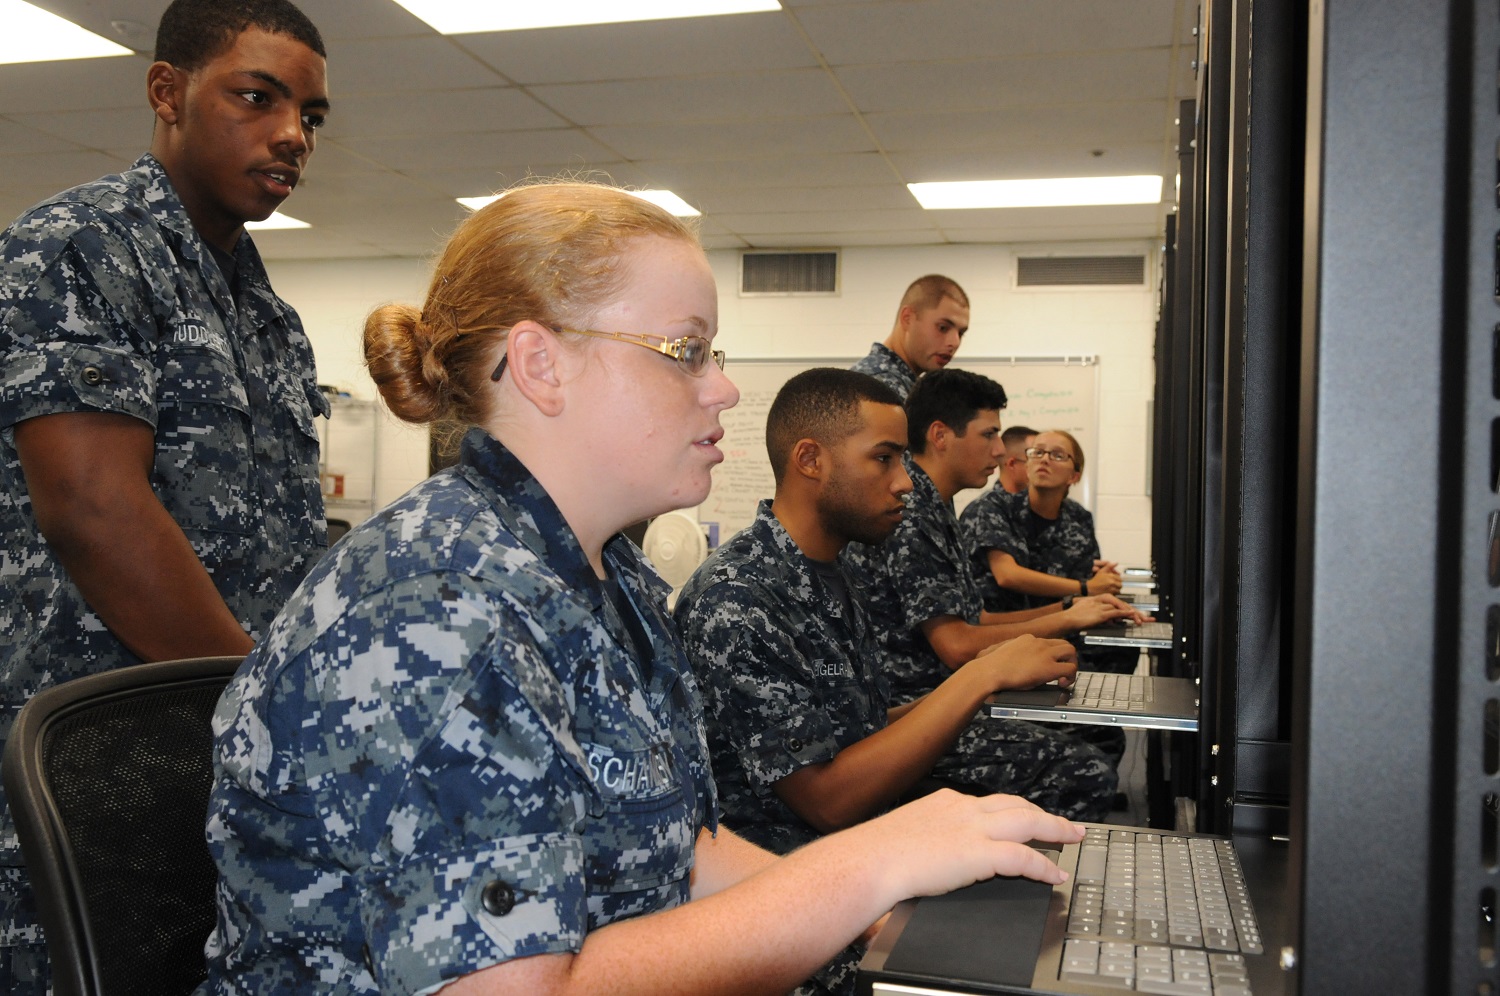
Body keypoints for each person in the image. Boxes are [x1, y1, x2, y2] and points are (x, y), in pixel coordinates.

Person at [197, 183, 1087, 996]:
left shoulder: (597, 570)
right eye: (685, 351)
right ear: (541, 366)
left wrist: (893, 905)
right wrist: (868, 869)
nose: (725, 388)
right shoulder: (442, 607)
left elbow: (679, 853)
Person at [0, 0, 329, 988]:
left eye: (312, 116)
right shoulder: (80, 249)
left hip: (218, 770)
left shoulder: (267, 313)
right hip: (93, 770)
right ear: (166, 92)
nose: (291, 135)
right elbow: (95, 514)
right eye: (257, 97)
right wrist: (269, 706)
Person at [676, 368, 1107, 867]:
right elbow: (828, 802)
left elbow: (863, 727)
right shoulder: (741, 599)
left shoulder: (830, 571)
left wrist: (984, 684)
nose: (904, 482)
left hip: (867, 842)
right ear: (810, 461)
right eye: (884, 458)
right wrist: (981, 675)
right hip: (798, 881)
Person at [844, 370, 1142, 706]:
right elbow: (957, 646)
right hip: (915, 705)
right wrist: (1068, 618)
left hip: (948, 693)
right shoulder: (913, 512)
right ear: (940, 435)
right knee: (1084, 757)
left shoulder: (937, 506)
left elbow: (978, 620)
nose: (1001, 451)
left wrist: (1071, 607)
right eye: (989, 434)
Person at [961, 429, 1123, 613]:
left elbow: (1089, 579)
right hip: (1003, 630)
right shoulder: (994, 507)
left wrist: (1105, 580)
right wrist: (1085, 587)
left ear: (1074, 476)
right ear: (1027, 466)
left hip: (1064, 626)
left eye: (1058, 455)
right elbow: (1007, 575)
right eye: (1037, 452)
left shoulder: (1079, 516)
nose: (1044, 459)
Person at [849, 274, 969, 400]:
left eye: (961, 333)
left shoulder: (902, 382)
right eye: (943, 328)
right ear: (907, 319)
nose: (955, 342)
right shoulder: (881, 386)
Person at [996, 424, 1038, 496]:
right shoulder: (988, 506)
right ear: (1012, 464)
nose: (1042, 465)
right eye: (1035, 458)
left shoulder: (1039, 503)